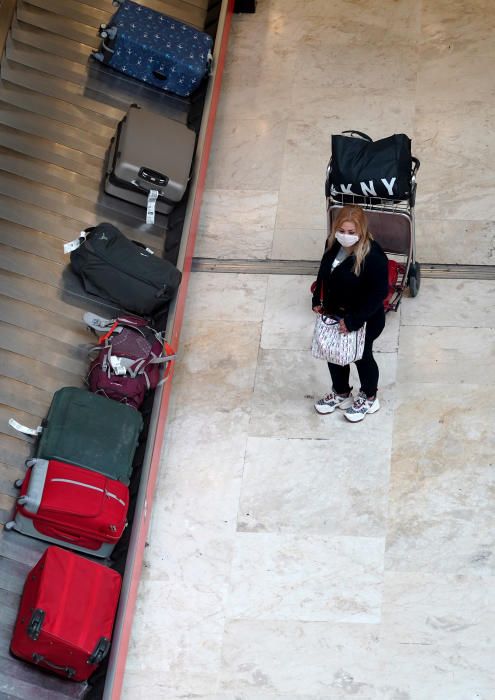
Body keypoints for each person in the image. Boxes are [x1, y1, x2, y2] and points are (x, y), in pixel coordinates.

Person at [312, 205, 389, 422]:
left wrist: (354, 320)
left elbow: (378, 294)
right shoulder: (332, 245)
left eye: (351, 232)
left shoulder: (373, 256)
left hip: (365, 318)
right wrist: (317, 298)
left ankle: (369, 396)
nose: (345, 236)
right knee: (334, 354)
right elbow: (323, 272)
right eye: (342, 231)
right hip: (335, 313)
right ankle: (341, 391)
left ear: (361, 232)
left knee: (362, 356)